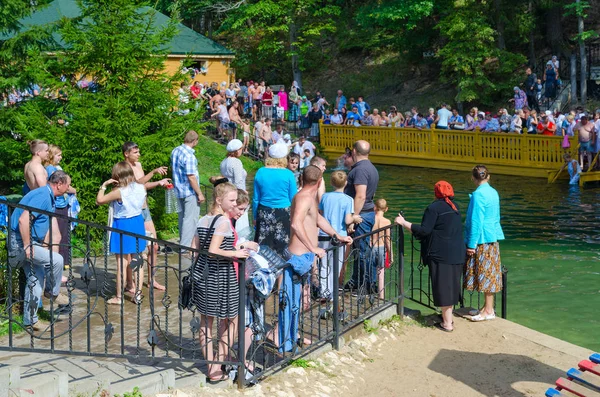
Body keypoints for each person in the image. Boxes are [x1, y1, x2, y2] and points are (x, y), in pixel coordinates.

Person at [279, 166, 352, 352]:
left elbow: (318, 220)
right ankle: (285, 344)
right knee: (290, 301)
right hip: (298, 256)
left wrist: (338, 235)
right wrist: (313, 247)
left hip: (305, 256)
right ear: (319, 182)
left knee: (298, 302)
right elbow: (296, 223)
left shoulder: (307, 197)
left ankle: (293, 336)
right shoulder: (304, 197)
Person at [191, 182, 251, 382]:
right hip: (222, 276)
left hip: (204, 275)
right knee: (233, 319)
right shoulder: (223, 222)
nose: (235, 204)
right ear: (219, 200)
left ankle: (212, 365)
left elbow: (194, 249)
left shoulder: (203, 219)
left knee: (206, 321)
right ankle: (217, 364)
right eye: (232, 200)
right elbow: (213, 250)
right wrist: (236, 252)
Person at [395, 181, 465, 331]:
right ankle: (448, 318)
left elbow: (424, 231)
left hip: (441, 254)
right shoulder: (455, 206)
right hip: (457, 252)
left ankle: (447, 323)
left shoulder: (433, 208)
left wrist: (404, 222)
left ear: (436, 192)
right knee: (452, 285)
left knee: (443, 286)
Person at [9, 171, 72, 330]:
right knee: (57, 260)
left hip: (28, 241)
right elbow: (24, 220)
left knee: (35, 281)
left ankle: (31, 321)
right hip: (20, 242)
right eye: (68, 185)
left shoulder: (48, 195)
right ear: (59, 184)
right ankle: (53, 293)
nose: (69, 188)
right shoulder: (44, 195)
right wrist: (28, 245)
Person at [97, 162, 148, 304]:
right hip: (137, 222)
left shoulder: (119, 191)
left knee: (122, 263)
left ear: (117, 176)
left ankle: (119, 297)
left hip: (123, 225)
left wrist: (104, 186)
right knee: (138, 261)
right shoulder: (140, 187)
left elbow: (99, 200)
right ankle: (138, 294)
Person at [122, 142, 170, 291]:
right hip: (133, 211)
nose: (138, 154)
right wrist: (154, 172)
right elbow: (137, 182)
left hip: (144, 208)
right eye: (135, 152)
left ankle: (151, 279)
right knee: (133, 250)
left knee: (154, 246)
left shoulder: (139, 165)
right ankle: (130, 282)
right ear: (126, 154)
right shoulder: (125, 167)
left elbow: (143, 185)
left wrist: (158, 182)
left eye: (138, 151)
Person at [464, 165, 505, 322]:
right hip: (492, 235)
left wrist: (471, 244)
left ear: (473, 178)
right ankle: (487, 308)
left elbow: (476, 221)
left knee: (486, 273)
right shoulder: (494, 192)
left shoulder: (478, 195)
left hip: (482, 238)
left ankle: (488, 310)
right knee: (491, 272)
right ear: (488, 177)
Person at [344, 140, 379, 291]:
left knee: (362, 251)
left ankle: (368, 285)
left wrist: (352, 218)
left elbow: (361, 196)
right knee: (360, 250)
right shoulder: (371, 167)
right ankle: (357, 281)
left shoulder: (360, 170)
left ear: (353, 151)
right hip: (367, 212)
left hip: (362, 214)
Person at [317, 171, 356, 300]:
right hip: (340, 236)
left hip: (323, 234)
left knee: (324, 264)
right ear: (346, 183)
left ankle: (324, 292)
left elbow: (321, 214)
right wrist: (355, 218)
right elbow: (347, 220)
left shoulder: (324, 197)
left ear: (331, 183)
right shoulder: (348, 199)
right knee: (336, 265)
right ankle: (333, 293)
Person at [253, 144, 298, 256]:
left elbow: (255, 199)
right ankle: (281, 271)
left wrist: (254, 216)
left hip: (264, 211)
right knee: (283, 245)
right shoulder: (288, 174)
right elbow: (293, 198)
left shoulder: (260, 172)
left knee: (263, 245)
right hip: (283, 212)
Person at [170, 130, 206, 250]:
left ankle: (183, 243)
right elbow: (191, 177)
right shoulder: (189, 155)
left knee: (182, 219)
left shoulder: (175, 150)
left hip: (178, 190)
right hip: (189, 191)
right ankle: (186, 248)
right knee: (190, 220)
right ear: (195, 141)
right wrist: (199, 193)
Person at [43, 145, 77, 268]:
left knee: (62, 233)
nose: (61, 157)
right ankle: (60, 261)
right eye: (58, 155)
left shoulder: (52, 168)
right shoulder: (51, 169)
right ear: (52, 155)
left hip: (61, 204)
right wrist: (72, 190)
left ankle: (62, 260)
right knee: (59, 234)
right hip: (58, 205)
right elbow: (60, 185)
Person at [370, 199, 392, 299]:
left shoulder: (371, 219)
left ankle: (368, 292)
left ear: (375, 207)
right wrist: (391, 254)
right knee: (381, 273)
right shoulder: (387, 221)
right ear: (386, 209)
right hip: (381, 248)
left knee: (370, 271)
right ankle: (381, 296)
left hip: (371, 247)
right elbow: (388, 240)